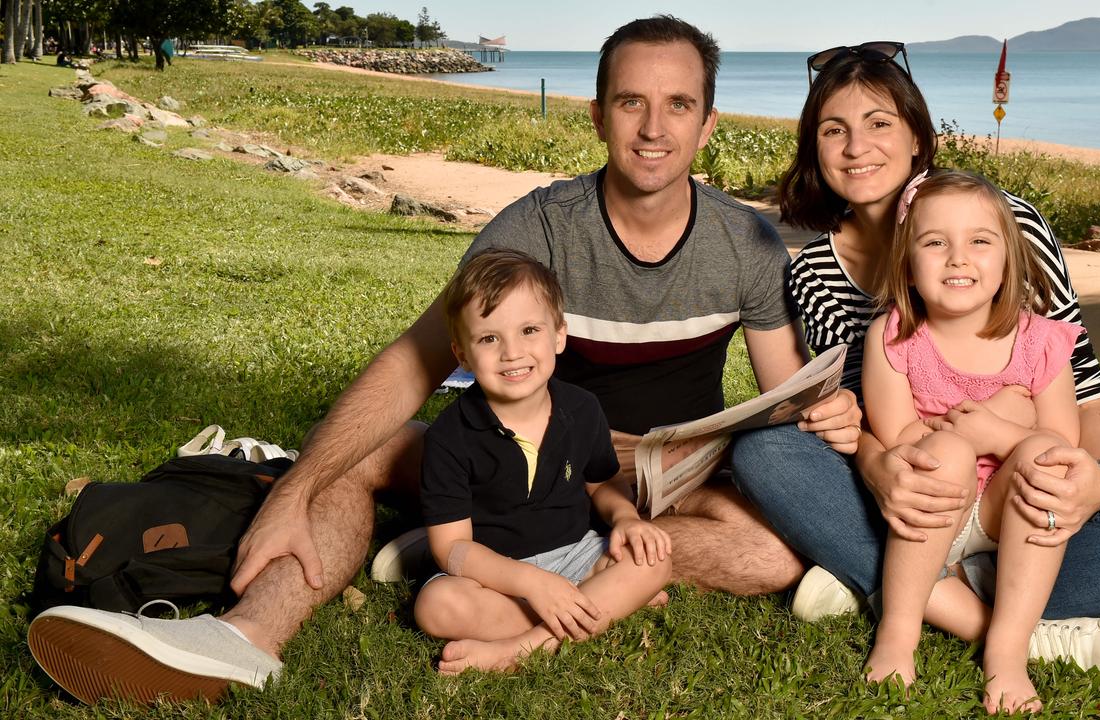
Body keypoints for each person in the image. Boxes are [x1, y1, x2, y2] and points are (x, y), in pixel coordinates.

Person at [26, 16, 860, 705]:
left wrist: (825, 411)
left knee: (773, 552)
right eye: (631, 102)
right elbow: (415, 361)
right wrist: (296, 488)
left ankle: (481, 565)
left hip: (660, 469)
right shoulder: (538, 227)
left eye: (678, 105)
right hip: (518, 449)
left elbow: (780, 392)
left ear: (708, 122)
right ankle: (245, 638)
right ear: (597, 113)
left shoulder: (745, 241)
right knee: (363, 453)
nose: (654, 127)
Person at [731, 42, 1100, 689]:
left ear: (917, 139)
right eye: (833, 129)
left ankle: (890, 583)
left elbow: (1088, 404)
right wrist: (878, 468)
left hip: (1014, 499)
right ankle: (1002, 626)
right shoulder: (817, 272)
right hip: (912, 495)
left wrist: (1093, 483)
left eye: (880, 123)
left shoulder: (1004, 227)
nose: (856, 146)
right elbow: (864, 420)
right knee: (765, 451)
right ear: (814, 147)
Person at [861, 170, 1100, 713]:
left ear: (1007, 260)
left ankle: (1007, 651)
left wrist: (996, 430)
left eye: (978, 240)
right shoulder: (895, 336)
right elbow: (898, 436)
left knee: (1048, 465)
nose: (957, 258)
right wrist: (976, 432)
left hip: (1007, 514)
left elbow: (1062, 444)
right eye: (934, 242)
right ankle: (899, 632)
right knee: (944, 452)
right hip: (931, 513)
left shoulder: (1042, 341)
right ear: (908, 261)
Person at [414, 248, 670, 674]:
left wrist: (625, 518)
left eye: (529, 330)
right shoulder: (448, 437)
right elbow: (451, 548)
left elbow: (604, 484)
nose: (512, 353)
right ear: (462, 354)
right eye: (489, 338)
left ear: (559, 335)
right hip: (496, 576)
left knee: (655, 557)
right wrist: (533, 584)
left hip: (576, 554)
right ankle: (598, 608)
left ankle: (526, 646)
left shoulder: (583, 409)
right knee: (436, 606)